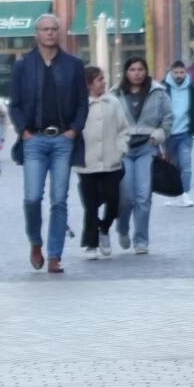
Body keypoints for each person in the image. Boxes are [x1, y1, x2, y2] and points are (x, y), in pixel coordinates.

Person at [8, 13, 88, 274]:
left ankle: (55, 255)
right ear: (37, 34)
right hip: (34, 139)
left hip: (63, 139)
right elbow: (15, 104)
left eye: (54, 29)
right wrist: (23, 132)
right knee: (32, 198)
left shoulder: (74, 65)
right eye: (45, 29)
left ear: (59, 33)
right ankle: (35, 242)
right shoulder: (23, 66)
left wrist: (74, 130)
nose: (50, 33)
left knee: (59, 200)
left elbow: (81, 103)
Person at [112, 57, 172, 256]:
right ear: (126, 72)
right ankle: (122, 227)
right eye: (132, 69)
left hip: (147, 147)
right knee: (126, 195)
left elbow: (168, 117)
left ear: (146, 71)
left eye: (140, 69)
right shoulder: (115, 94)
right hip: (124, 149)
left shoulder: (158, 92)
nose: (136, 73)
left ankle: (141, 240)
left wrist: (160, 134)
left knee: (143, 196)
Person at [76, 66, 128, 260]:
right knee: (90, 205)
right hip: (86, 163)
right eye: (99, 80)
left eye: (103, 79)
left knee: (114, 201)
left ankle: (104, 228)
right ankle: (91, 243)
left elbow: (123, 129)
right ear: (89, 84)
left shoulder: (113, 103)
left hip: (111, 161)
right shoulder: (79, 104)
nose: (104, 83)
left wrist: (121, 148)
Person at [161, 59, 194, 208]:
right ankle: (174, 194)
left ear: (186, 72)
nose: (179, 75)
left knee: (185, 163)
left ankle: (185, 193)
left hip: (186, 133)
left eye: (182, 72)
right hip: (168, 134)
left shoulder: (192, 89)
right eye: (176, 72)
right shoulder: (163, 89)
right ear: (171, 73)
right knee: (173, 166)